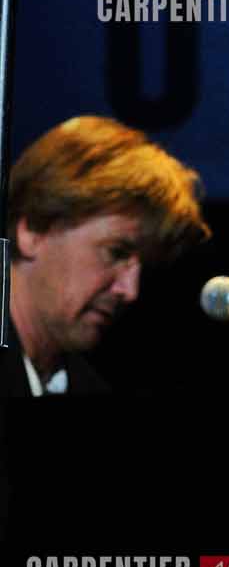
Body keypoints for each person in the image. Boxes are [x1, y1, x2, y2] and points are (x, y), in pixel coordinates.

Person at [1, 117, 210, 397]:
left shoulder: (92, 391)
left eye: (144, 266)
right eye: (116, 252)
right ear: (33, 230)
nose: (130, 291)